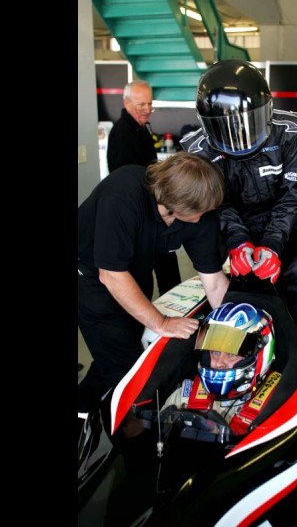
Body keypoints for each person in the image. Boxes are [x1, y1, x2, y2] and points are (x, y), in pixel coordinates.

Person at [77, 152, 231, 415]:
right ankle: (113, 424)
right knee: (129, 372)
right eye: (201, 210)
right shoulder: (123, 194)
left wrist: (231, 330)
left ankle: (85, 404)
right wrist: (161, 323)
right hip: (90, 276)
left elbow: (214, 281)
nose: (206, 215)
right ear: (178, 204)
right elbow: (110, 275)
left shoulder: (197, 213)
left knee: (122, 348)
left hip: (129, 272)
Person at [181, 59, 297, 330]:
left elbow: (294, 195)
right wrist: (238, 241)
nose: (239, 136)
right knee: (233, 273)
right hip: (235, 218)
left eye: (247, 122)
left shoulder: (289, 130)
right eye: (227, 127)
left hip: (286, 214)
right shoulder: (197, 150)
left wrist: (272, 243)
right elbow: (218, 203)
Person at [107, 80, 182, 296]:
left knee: (166, 262)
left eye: (150, 104)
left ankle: (174, 306)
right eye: (141, 105)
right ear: (126, 103)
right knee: (147, 272)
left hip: (153, 209)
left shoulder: (140, 128)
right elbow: (125, 180)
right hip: (141, 213)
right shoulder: (123, 134)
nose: (147, 109)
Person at [161, 301, 276, 428]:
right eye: (215, 352)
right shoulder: (184, 396)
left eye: (231, 354)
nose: (219, 363)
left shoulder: (276, 404)